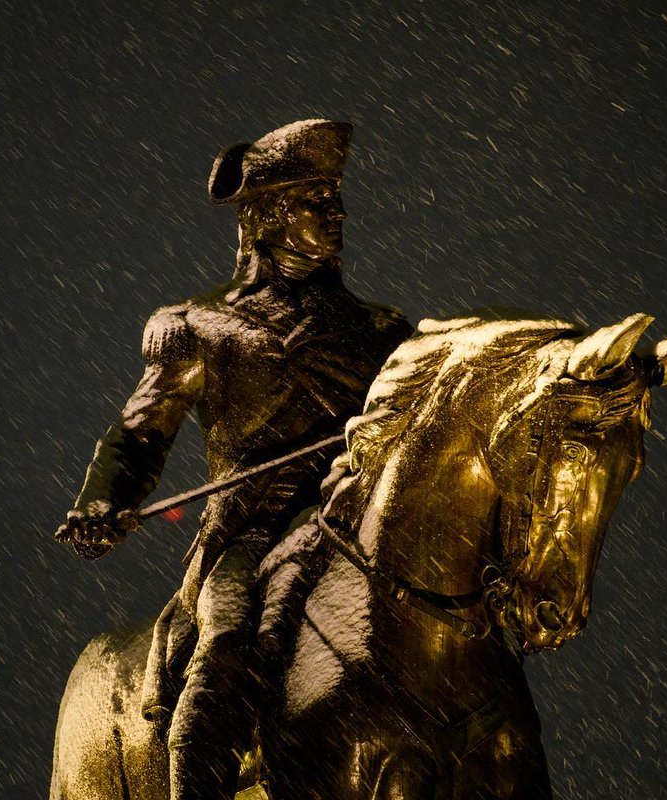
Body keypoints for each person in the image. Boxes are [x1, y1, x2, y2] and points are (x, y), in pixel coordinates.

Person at [54, 119, 412, 800]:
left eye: (336, 198)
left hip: (356, 528)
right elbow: (141, 431)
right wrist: (105, 499)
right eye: (319, 200)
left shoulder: (381, 332)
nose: (338, 215)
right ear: (272, 215)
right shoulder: (200, 328)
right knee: (226, 640)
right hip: (251, 536)